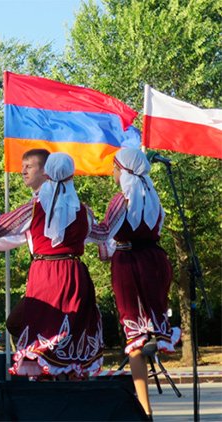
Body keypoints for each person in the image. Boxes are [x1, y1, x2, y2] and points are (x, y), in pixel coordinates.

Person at [0, 152, 104, 379]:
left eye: (28, 166)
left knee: (38, 329)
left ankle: (49, 385)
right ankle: (69, 389)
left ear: (48, 172)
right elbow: (104, 237)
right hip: (76, 276)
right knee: (70, 331)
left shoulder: (34, 208)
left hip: (47, 276)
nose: (22, 171)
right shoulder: (83, 211)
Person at [90, 148, 180, 417]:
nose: (113, 173)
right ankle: (159, 335)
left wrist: (84, 221)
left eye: (116, 168)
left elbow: (104, 233)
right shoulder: (152, 198)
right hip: (155, 260)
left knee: (134, 336)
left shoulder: (121, 200)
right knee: (150, 320)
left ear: (125, 170)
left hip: (130, 263)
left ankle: (144, 408)